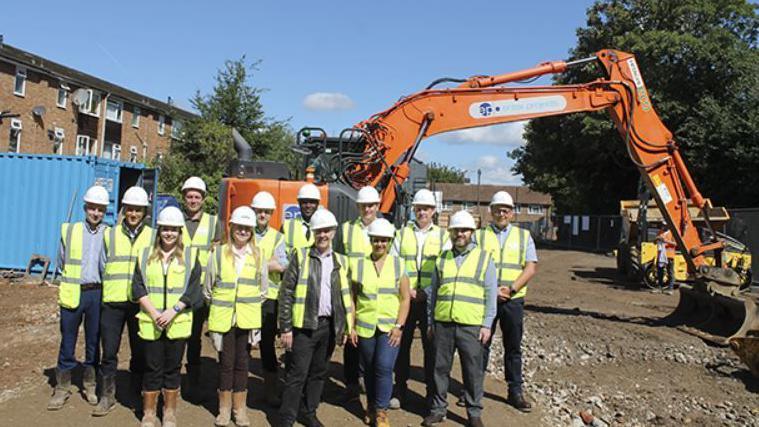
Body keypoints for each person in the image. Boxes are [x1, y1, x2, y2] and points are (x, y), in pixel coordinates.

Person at [278, 208, 354, 427]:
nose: (323, 235)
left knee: (319, 373)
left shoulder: (341, 261)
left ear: (333, 232)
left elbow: (345, 297)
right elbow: (287, 293)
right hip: (303, 326)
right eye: (319, 231)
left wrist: (346, 327)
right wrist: (285, 328)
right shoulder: (300, 256)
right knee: (297, 374)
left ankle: (309, 412)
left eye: (327, 231)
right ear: (313, 232)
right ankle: (287, 418)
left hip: (328, 326)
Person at [423, 210, 496, 427]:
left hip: (471, 325)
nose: (460, 234)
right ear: (450, 232)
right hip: (443, 323)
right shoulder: (442, 259)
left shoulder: (484, 258)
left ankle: (473, 412)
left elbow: (490, 295)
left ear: (472, 232)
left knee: (472, 370)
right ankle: (438, 409)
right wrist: (430, 322)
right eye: (456, 230)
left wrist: (487, 325)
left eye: (464, 230)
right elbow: (432, 294)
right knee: (439, 368)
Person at [206, 206, 275, 426]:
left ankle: (240, 409)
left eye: (247, 228)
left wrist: (248, 305)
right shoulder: (217, 253)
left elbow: (263, 290)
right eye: (240, 227)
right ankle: (224, 409)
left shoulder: (258, 255)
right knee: (226, 363)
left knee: (242, 363)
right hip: (225, 317)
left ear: (252, 231)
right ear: (232, 227)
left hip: (246, 318)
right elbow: (208, 288)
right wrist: (222, 305)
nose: (243, 231)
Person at [132, 206, 202, 427]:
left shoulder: (190, 256)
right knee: (152, 368)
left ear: (180, 232)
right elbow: (138, 287)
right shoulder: (144, 255)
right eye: (165, 229)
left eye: (173, 229)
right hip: (152, 322)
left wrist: (174, 310)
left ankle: (169, 412)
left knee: (173, 368)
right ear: (159, 230)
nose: (169, 233)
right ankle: (149, 413)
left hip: (177, 321)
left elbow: (194, 290)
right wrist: (154, 313)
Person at [94, 186, 155, 417]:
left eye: (138, 210)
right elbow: (102, 266)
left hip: (140, 303)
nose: (133, 214)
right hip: (113, 301)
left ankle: (135, 393)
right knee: (109, 351)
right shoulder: (109, 234)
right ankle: (106, 396)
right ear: (124, 209)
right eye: (130, 209)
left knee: (140, 351)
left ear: (144, 212)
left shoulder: (153, 235)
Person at [48, 185, 110, 410]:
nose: (96, 213)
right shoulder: (71, 231)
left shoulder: (108, 233)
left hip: (97, 293)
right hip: (74, 291)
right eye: (92, 208)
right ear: (85, 208)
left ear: (105, 211)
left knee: (93, 342)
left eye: (100, 209)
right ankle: (62, 387)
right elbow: (61, 261)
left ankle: (90, 384)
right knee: (68, 340)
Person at [476, 191, 537, 413]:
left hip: (513, 300)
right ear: (490, 212)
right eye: (497, 209)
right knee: (481, 345)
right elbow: (474, 266)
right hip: (487, 299)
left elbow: (530, 267)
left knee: (513, 347)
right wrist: (492, 292)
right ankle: (473, 390)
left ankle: (515, 391)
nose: (501, 213)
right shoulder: (479, 236)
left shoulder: (523, 236)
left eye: (505, 210)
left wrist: (511, 289)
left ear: (512, 213)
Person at [390, 189, 450, 409]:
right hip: (406, 298)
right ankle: (400, 390)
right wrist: (409, 291)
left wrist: (426, 291)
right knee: (400, 346)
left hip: (430, 300)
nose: (422, 211)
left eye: (426, 208)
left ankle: (431, 394)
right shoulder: (401, 233)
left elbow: (445, 268)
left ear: (433, 210)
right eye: (419, 208)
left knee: (431, 348)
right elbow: (394, 263)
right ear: (414, 209)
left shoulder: (444, 236)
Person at [349, 218, 410, 427]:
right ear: (371, 240)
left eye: (384, 241)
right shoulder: (359, 265)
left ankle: (382, 412)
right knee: (368, 368)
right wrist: (352, 326)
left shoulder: (398, 264)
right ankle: (371, 405)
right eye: (376, 240)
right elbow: (352, 298)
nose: (380, 244)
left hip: (389, 328)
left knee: (384, 367)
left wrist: (399, 326)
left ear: (390, 241)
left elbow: (405, 298)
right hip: (365, 327)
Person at [336, 186, 382, 401]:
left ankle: (368, 379)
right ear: (358, 206)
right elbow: (337, 258)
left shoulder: (385, 229)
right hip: (350, 289)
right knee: (351, 338)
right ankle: (352, 383)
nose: (367, 209)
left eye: (371, 205)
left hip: (375, 292)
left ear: (378, 205)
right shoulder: (346, 229)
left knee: (371, 337)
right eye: (364, 205)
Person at [180, 176, 222, 399]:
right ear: (184, 198)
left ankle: (220, 382)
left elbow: (219, 255)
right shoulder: (176, 222)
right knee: (191, 336)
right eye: (189, 196)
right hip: (185, 288)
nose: (193, 200)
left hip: (208, 289)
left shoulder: (214, 223)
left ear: (204, 199)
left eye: (197, 196)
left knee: (218, 336)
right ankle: (191, 382)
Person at [251, 191, 288, 407]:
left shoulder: (277, 237)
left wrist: (254, 265)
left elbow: (281, 265)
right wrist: (268, 262)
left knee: (266, 344)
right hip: (246, 296)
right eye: (259, 211)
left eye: (266, 211)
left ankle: (270, 391)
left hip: (269, 298)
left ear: (272, 213)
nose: (262, 214)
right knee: (242, 344)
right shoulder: (243, 230)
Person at [282, 183, 321, 251]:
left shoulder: (324, 228)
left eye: (312, 202)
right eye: (304, 202)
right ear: (299, 203)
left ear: (317, 204)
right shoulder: (287, 226)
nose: (308, 206)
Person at [655, 223, 676, 295]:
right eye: (663, 225)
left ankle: (670, 288)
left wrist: (665, 241)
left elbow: (675, 243)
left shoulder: (672, 233)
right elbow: (655, 242)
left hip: (669, 255)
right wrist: (656, 239)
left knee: (670, 272)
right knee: (660, 272)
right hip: (660, 255)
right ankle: (659, 287)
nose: (664, 226)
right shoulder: (660, 232)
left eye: (665, 225)